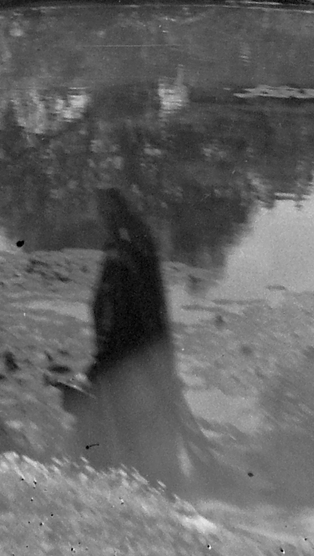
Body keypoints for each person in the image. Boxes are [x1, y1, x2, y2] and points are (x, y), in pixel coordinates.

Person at [77, 187, 189, 488]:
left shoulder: (122, 250)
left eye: (102, 213)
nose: (99, 219)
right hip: (148, 345)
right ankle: (156, 475)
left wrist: (104, 355)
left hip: (126, 350)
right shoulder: (140, 241)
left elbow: (114, 305)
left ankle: (130, 475)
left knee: (124, 421)